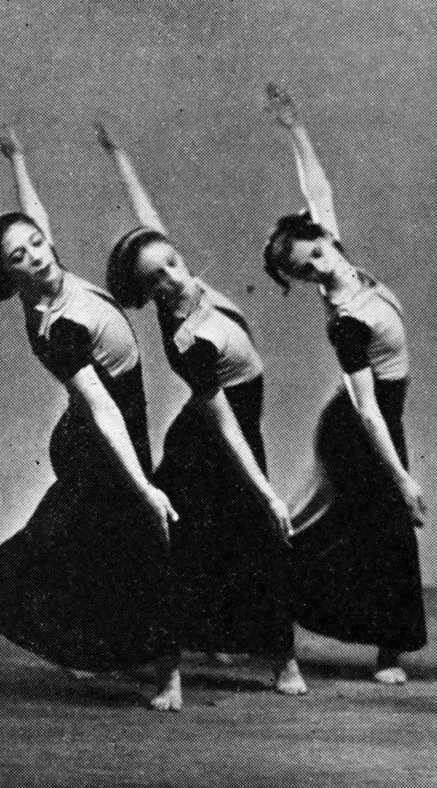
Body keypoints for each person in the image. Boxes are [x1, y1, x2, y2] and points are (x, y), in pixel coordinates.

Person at [0, 125, 183, 710]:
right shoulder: (56, 327)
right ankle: (167, 676)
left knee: (72, 545)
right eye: (20, 257)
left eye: (36, 244)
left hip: (104, 429)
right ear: (9, 274)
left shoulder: (47, 269)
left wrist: (18, 158)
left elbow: (35, 218)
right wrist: (143, 484)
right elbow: (103, 407)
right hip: (99, 437)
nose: (38, 255)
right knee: (133, 538)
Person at [97, 122, 305, 696]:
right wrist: (267, 491)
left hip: (223, 421)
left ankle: (265, 654)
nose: (174, 275)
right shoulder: (191, 338)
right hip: (214, 434)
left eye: (173, 262)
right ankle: (169, 664)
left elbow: (148, 220)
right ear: (149, 295)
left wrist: (119, 154)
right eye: (158, 278)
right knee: (214, 536)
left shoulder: (177, 279)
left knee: (240, 544)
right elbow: (225, 422)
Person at [262, 84, 426, 684]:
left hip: (379, 416)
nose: (315, 264)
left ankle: (384, 645)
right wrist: (402, 476)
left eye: (313, 251)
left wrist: (295, 128)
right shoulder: (346, 321)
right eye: (302, 269)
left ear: (324, 239)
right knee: (375, 529)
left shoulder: (344, 261)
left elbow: (319, 191)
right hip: (360, 426)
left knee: (371, 532)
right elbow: (368, 411)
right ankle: (371, 648)